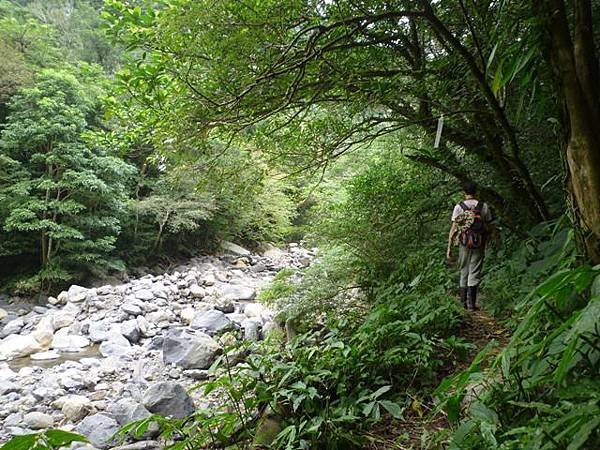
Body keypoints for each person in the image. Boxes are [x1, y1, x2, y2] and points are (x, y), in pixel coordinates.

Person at [446, 181, 493, 310]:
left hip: (464, 242)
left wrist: (449, 247)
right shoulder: (483, 206)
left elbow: (454, 229)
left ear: (464, 192)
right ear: (475, 192)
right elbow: (489, 226)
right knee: (475, 270)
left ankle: (463, 303)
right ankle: (472, 304)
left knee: (463, 270)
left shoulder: (459, 207)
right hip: (479, 242)